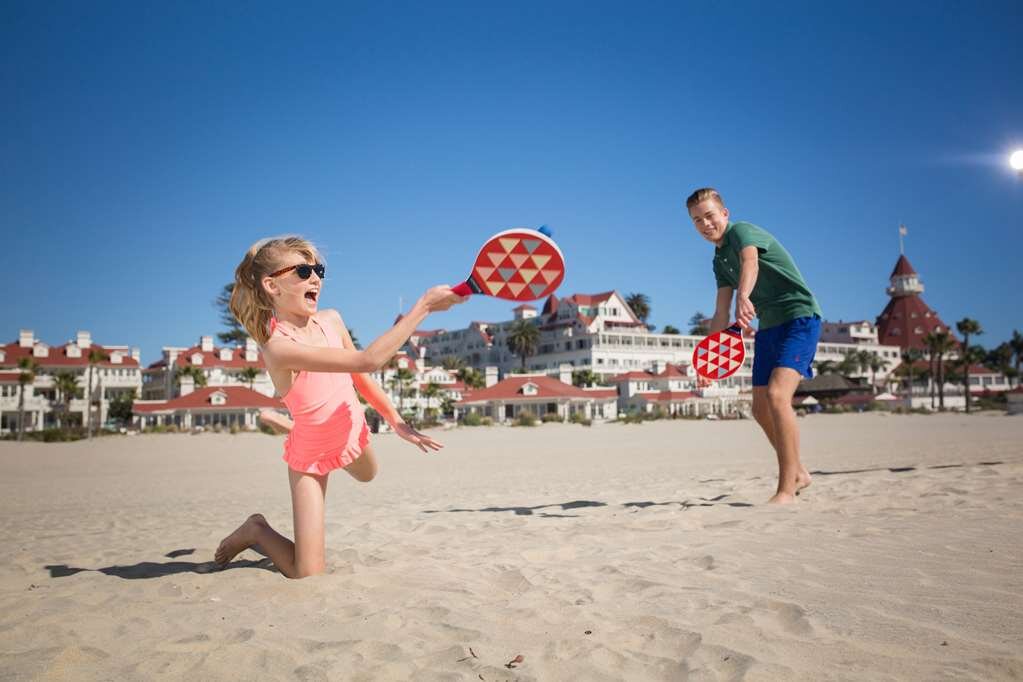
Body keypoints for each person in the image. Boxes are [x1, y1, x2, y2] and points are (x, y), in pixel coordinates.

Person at [214, 235, 466, 577]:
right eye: (303, 271)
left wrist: (395, 420)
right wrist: (423, 306)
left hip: (349, 428)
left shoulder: (331, 320)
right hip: (310, 454)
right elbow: (367, 361)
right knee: (307, 573)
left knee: (368, 475)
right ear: (271, 286)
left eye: (318, 270)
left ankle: (288, 425)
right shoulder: (278, 347)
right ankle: (256, 529)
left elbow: (359, 378)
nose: (315, 278)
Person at [687, 188, 822, 504]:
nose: (706, 224)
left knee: (777, 396)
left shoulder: (742, 232)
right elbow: (721, 311)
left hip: (800, 318)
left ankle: (786, 489)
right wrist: (707, 362)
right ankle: (799, 472)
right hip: (769, 328)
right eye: (697, 220)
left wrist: (744, 296)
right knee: (760, 408)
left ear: (725, 213)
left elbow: (751, 261)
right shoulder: (719, 259)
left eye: (710, 215)